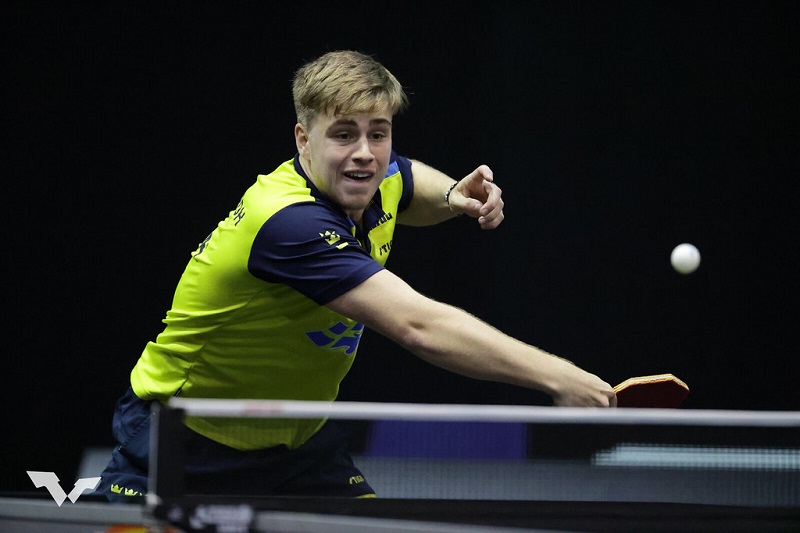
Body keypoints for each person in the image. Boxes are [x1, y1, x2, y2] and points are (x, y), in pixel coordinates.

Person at [98, 50, 616, 502]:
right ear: (303, 139)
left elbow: (408, 179)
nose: (365, 154)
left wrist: (453, 194)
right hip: (184, 438)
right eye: (343, 135)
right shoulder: (289, 223)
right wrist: (559, 378)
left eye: (379, 133)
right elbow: (419, 325)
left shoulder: (374, 174)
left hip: (296, 442)